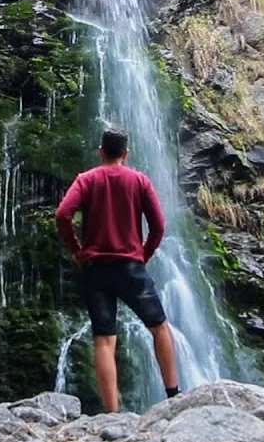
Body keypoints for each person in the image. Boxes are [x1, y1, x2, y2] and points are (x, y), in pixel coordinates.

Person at [54, 126, 180, 412]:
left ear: (101, 151)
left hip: (95, 268)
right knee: (159, 326)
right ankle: (174, 395)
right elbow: (159, 225)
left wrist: (77, 250)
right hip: (130, 267)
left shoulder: (86, 180)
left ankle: (112, 414)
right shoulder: (139, 181)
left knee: (104, 338)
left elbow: (62, 214)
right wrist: (143, 254)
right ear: (126, 153)